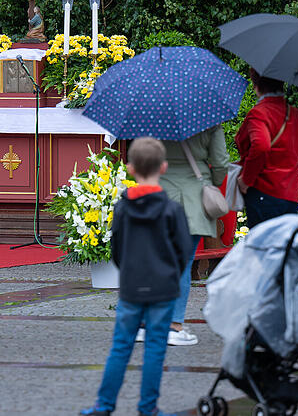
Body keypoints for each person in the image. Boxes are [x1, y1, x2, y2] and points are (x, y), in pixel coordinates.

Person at [81, 137, 192, 416]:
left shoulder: (122, 208)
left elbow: (116, 249)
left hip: (131, 287)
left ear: (130, 169)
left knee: (121, 347)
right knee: (155, 348)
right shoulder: (172, 210)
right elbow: (182, 252)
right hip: (163, 289)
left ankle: (104, 405)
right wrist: (169, 274)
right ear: (164, 168)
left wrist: (129, 272)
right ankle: (148, 408)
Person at [157, 125, 229, 346]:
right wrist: (211, 182)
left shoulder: (153, 113)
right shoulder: (209, 119)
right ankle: (174, 325)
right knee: (184, 263)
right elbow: (220, 163)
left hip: (161, 195)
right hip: (193, 197)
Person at [234, 69, 298, 228]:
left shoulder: (259, 113)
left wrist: (246, 179)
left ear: (256, 85)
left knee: (263, 249)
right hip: (291, 196)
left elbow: (260, 146)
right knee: (283, 249)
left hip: (264, 193)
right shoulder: (296, 115)